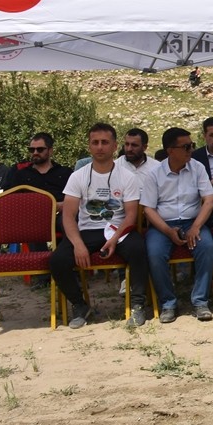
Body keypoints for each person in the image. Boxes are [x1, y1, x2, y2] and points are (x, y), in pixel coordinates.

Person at [50, 123, 148, 328]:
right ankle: (79, 305)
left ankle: (138, 304)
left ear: (114, 146)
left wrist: (114, 239)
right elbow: (68, 216)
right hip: (87, 230)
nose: (100, 147)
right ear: (89, 146)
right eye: (95, 142)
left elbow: (131, 216)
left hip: (119, 230)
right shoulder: (78, 176)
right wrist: (77, 244)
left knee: (138, 248)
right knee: (58, 260)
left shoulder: (127, 176)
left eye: (105, 142)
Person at [142, 127, 213, 322]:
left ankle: (200, 301)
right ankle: (168, 303)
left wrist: (196, 227)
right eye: (186, 147)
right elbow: (148, 209)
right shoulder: (154, 174)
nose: (191, 150)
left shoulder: (197, 168)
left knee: (207, 247)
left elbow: (209, 200)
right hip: (163, 224)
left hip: (193, 221)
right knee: (155, 253)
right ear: (170, 151)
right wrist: (167, 231)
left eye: (191, 145)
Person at [3, 131, 71, 202]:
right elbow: (8, 200)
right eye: (32, 150)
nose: (35, 153)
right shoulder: (20, 175)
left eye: (40, 149)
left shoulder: (65, 173)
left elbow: (77, 199)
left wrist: (62, 206)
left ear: (50, 151)